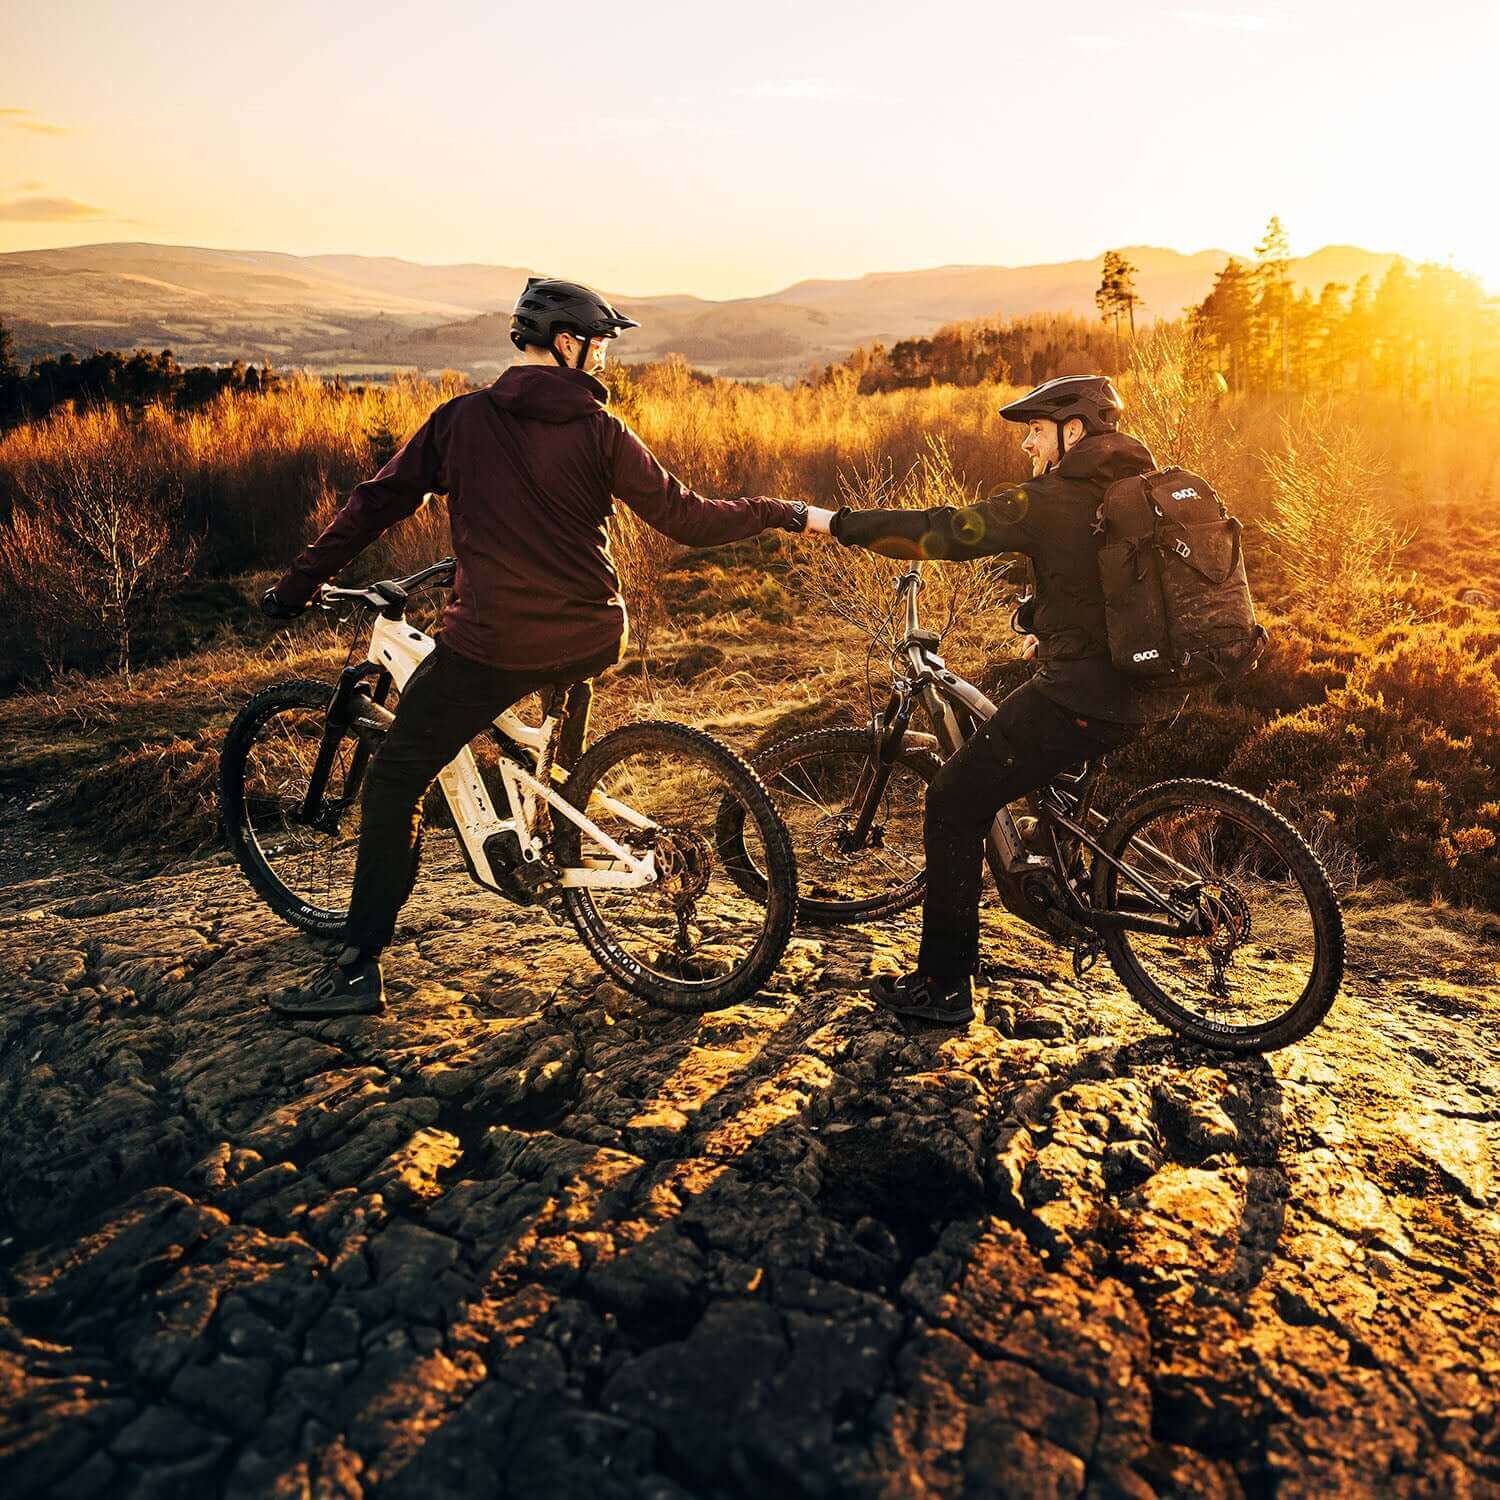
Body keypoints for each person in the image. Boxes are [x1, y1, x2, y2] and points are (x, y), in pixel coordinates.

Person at [260, 277, 820, 1018]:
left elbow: (375, 503)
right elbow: (691, 519)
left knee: (396, 780)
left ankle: (359, 967)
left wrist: (299, 583)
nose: (603, 364)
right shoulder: (601, 433)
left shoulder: (460, 422)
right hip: (592, 633)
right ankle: (550, 828)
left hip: (494, 640)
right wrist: (781, 511)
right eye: (600, 348)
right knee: (527, 735)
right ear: (566, 344)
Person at [816, 375, 1180, 1024]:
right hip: (1149, 688)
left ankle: (945, 985)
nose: (1030, 449)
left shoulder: (1052, 497)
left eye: (1036, 433)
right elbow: (1108, 584)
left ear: (1074, 430)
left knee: (954, 799)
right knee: (1039, 776)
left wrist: (839, 523)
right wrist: (1044, 619)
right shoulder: (1135, 491)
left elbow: (948, 532)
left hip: (1083, 696)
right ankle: (1057, 889)